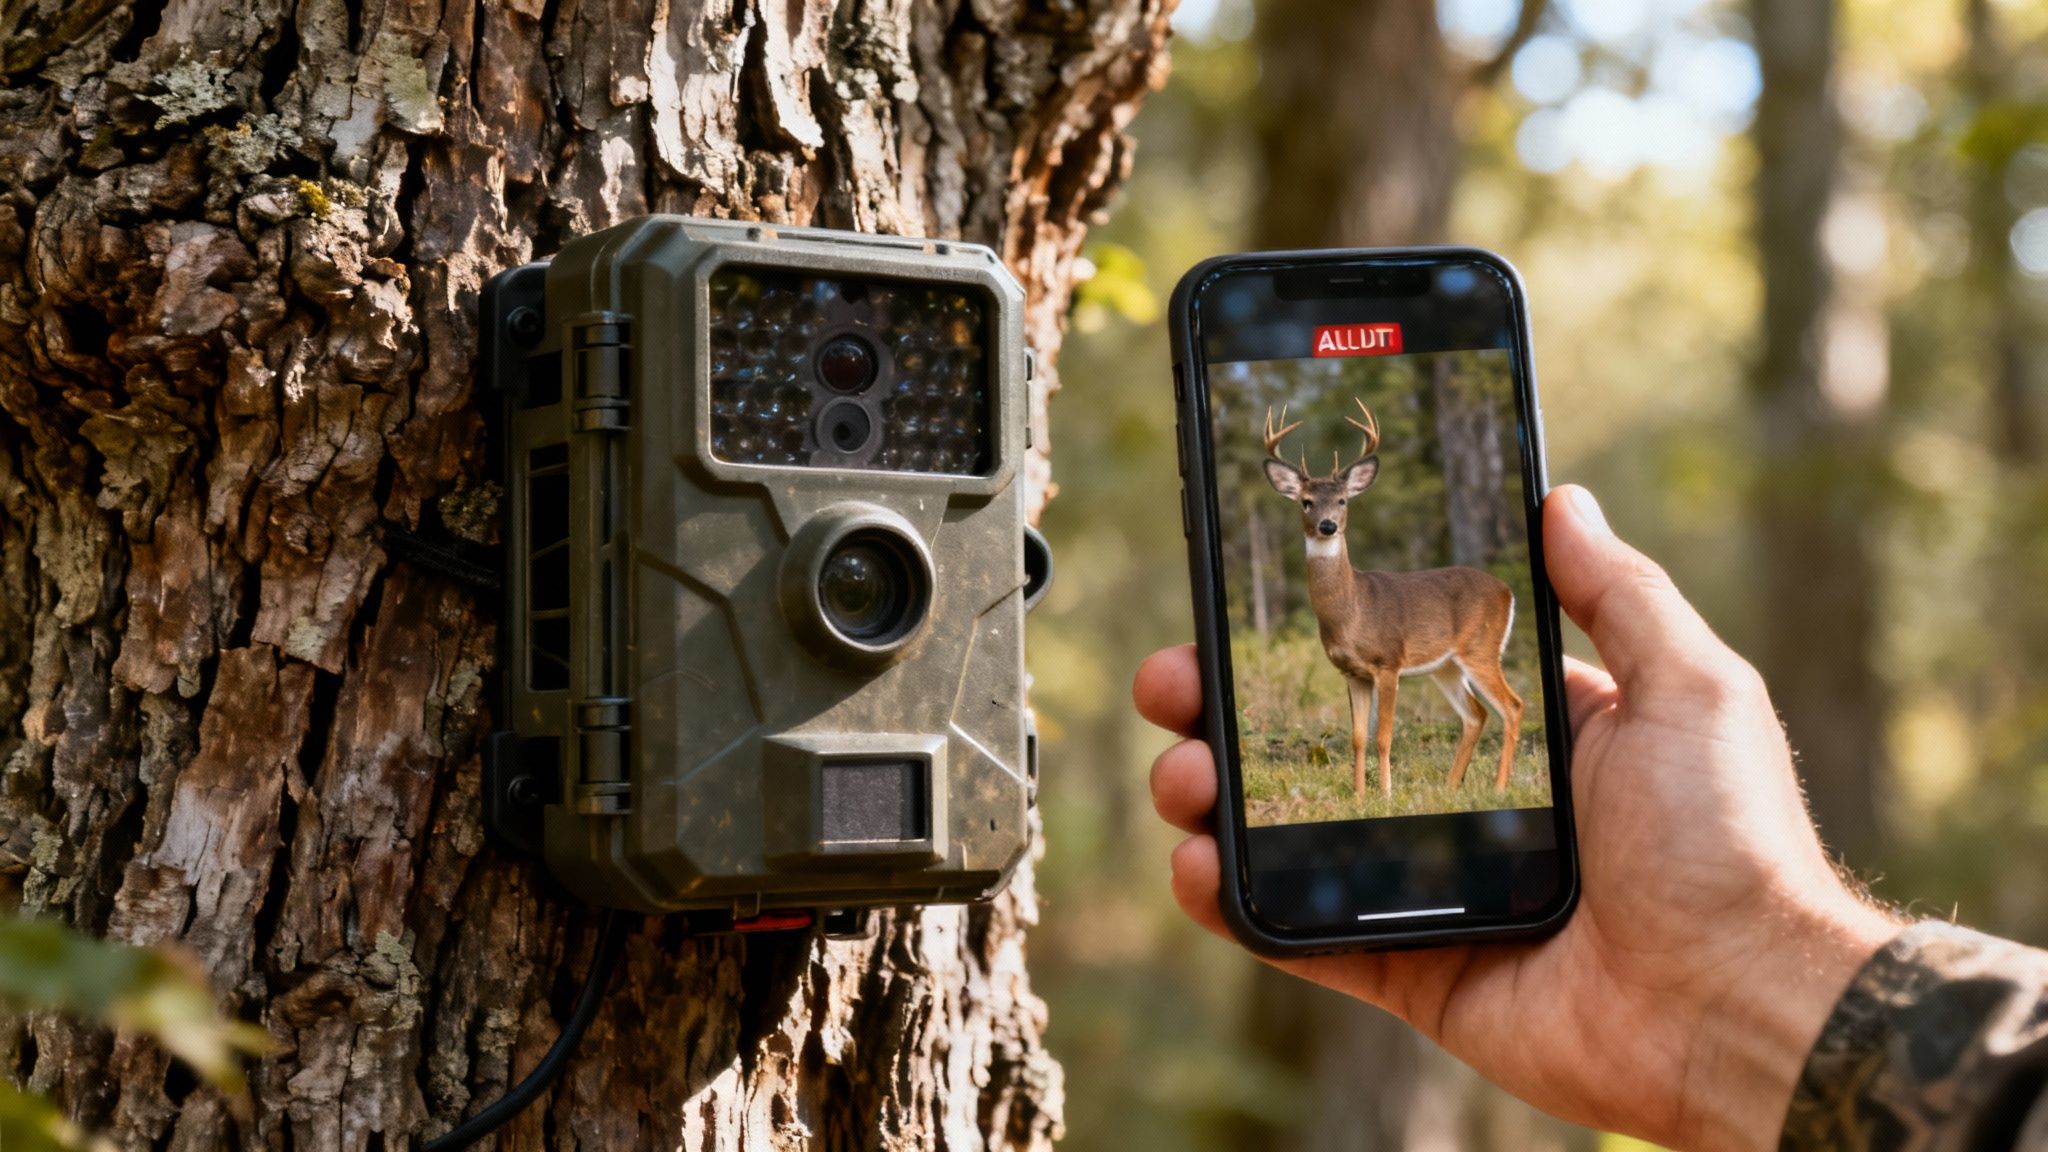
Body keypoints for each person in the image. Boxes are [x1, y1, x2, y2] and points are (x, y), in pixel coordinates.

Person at [1134, 485, 2048, 1151]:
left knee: (1478, 695)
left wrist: (1746, 963)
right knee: (1358, 688)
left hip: (1437, 620)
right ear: (1298, 505)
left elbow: (1388, 668)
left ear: (1350, 506)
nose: (1325, 517)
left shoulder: (1435, 592)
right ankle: (1430, 772)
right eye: (1313, 508)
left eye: (1336, 508)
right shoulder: (1330, 595)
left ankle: (1480, 759)